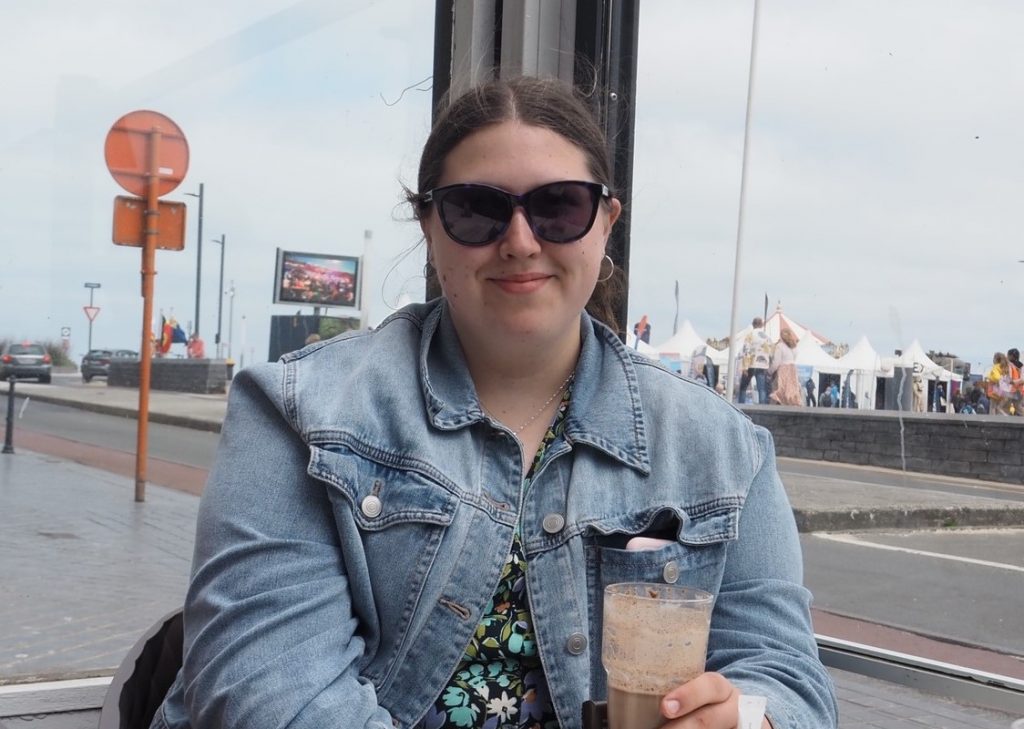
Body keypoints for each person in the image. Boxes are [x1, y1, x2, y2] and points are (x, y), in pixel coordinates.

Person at [151, 77, 836, 729]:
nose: (519, 240)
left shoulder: (722, 451)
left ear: (606, 223)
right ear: (429, 225)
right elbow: (272, 694)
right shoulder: (297, 413)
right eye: (476, 209)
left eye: (558, 206)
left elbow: (788, 678)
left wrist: (746, 713)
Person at [737, 317, 773, 404]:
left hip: (751, 364)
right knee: (761, 389)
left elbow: (746, 350)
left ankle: (741, 405)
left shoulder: (750, 335)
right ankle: (762, 407)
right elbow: (771, 351)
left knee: (743, 387)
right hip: (763, 364)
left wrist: (745, 366)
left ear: (753, 324)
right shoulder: (767, 337)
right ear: (762, 325)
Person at [768, 328, 802, 405]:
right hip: (792, 370)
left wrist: (770, 371)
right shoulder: (794, 348)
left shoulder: (780, 346)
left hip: (783, 370)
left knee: (779, 391)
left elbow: (776, 362)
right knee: (791, 392)